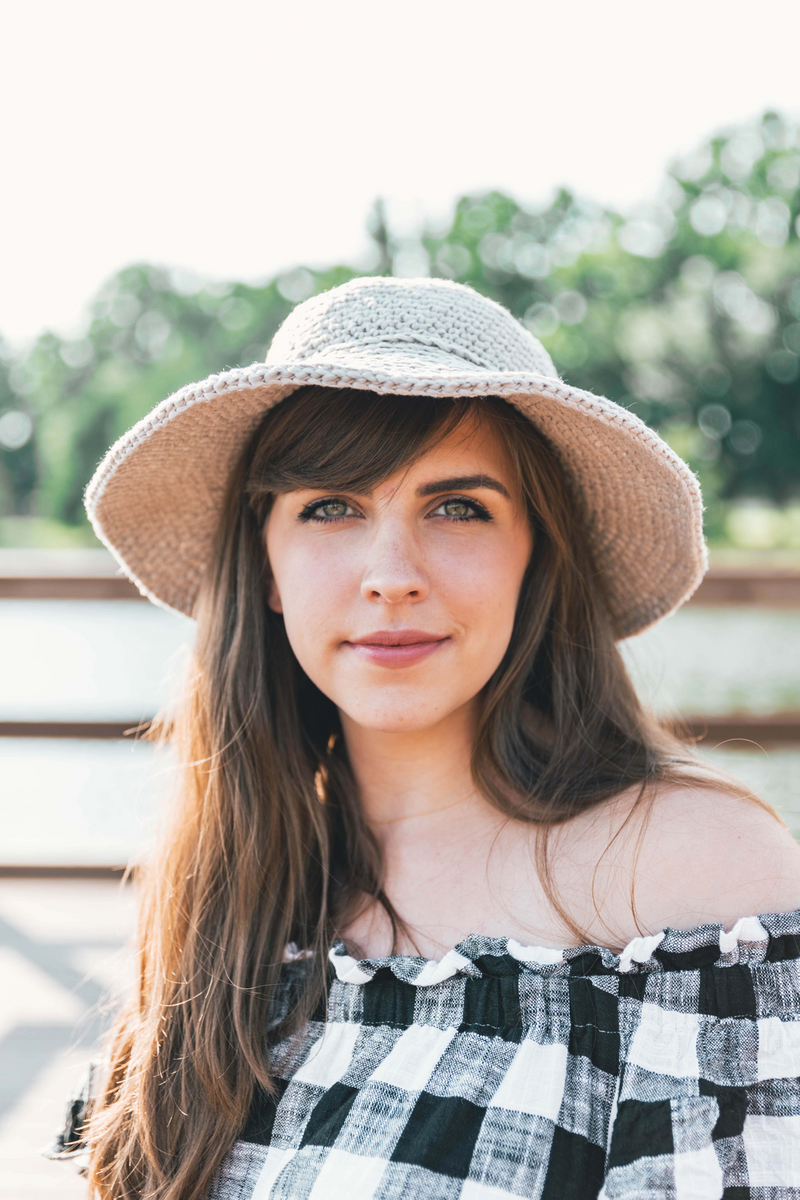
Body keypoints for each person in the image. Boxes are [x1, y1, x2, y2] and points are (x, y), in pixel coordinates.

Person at [48, 277, 800, 1199]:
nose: (392, 575)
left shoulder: (695, 888)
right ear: (269, 567)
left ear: (539, 556)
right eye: (330, 506)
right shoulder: (234, 887)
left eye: (458, 507)